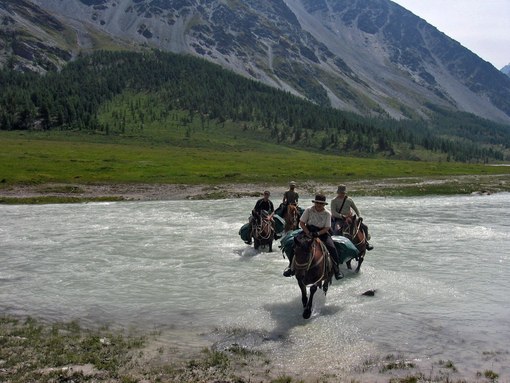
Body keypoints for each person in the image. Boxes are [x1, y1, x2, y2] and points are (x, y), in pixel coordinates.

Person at [284, 194, 343, 280]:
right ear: (315, 203)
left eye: (321, 203)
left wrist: (318, 233)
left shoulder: (327, 213)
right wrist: (307, 232)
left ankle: (337, 270)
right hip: (307, 231)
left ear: (324, 205)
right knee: (294, 245)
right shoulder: (308, 210)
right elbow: (302, 223)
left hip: (322, 233)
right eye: (317, 203)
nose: (319, 205)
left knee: (332, 248)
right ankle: (291, 267)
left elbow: (327, 228)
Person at [330, 185, 373, 250]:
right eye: (341, 193)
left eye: (343, 193)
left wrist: (359, 216)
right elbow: (333, 212)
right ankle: (335, 245)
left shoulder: (349, 200)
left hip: (350, 218)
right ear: (338, 193)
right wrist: (342, 216)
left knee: (365, 227)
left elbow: (356, 209)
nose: (342, 194)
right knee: (336, 230)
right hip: (340, 219)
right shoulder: (334, 201)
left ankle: (366, 243)